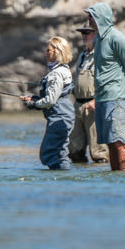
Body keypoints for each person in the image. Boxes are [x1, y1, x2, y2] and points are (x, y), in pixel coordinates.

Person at [84, 2, 125, 171]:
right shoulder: (97, 39)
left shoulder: (118, 39)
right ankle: (115, 177)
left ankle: (124, 177)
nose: (88, 19)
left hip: (117, 98)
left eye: (91, 15)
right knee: (110, 142)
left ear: (100, 17)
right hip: (101, 98)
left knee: (118, 141)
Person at [21, 36, 75, 170]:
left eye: (48, 50)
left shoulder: (56, 74)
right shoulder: (63, 69)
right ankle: (64, 177)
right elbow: (54, 96)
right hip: (64, 116)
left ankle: (58, 177)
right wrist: (34, 98)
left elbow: (50, 100)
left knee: (48, 153)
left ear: (57, 51)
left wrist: (34, 104)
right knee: (60, 152)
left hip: (59, 117)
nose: (46, 53)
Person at [67, 25, 109, 164]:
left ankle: (100, 174)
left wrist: (96, 100)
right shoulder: (82, 55)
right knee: (74, 150)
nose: (84, 35)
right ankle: (80, 175)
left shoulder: (102, 55)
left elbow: (108, 82)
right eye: (82, 33)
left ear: (96, 35)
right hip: (78, 105)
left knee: (99, 153)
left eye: (87, 32)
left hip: (94, 106)